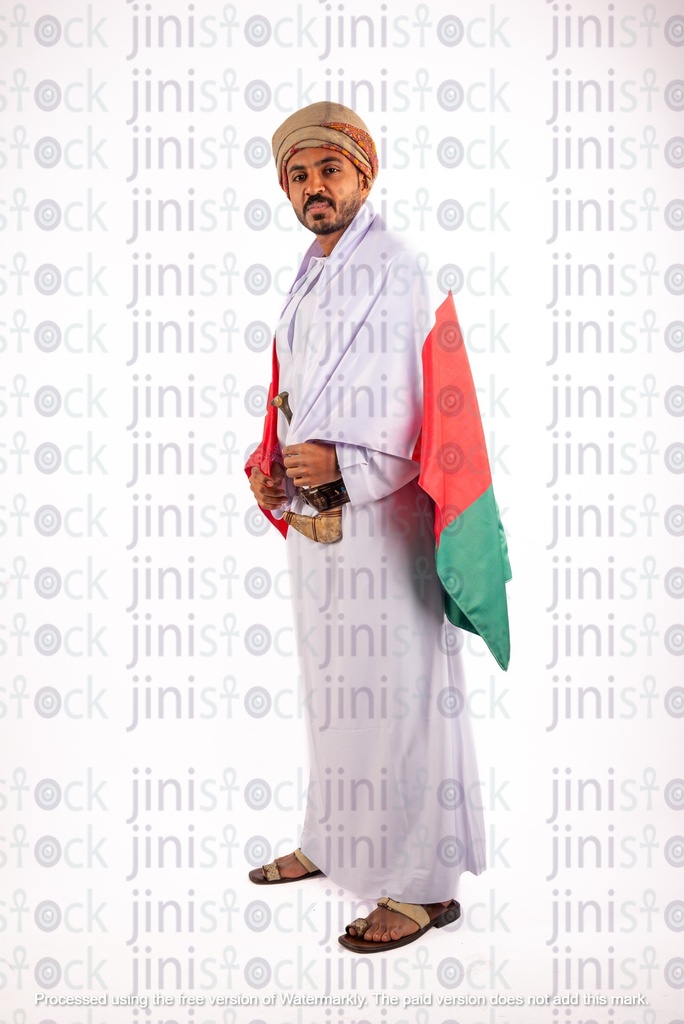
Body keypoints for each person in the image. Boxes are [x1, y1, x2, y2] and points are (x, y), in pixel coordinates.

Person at [246, 102, 510, 952]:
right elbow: (297, 385)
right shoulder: (312, 269)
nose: (313, 187)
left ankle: (422, 887)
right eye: (298, 175)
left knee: (402, 700)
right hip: (320, 526)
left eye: (328, 169)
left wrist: (345, 462)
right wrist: (278, 458)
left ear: (363, 174)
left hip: (384, 518)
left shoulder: (394, 267)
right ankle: (334, 840)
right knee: (334, 695)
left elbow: (409, 398)